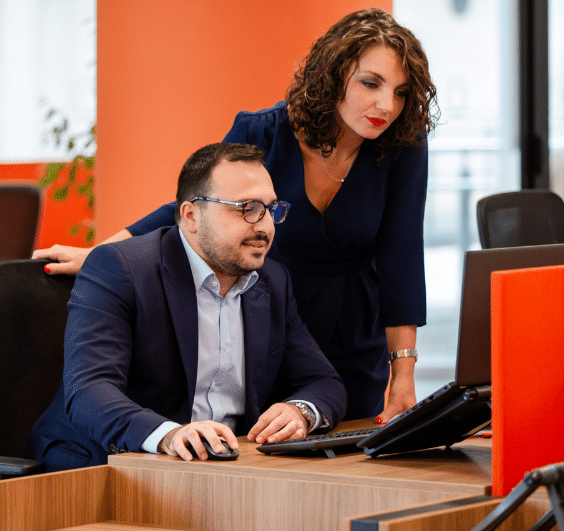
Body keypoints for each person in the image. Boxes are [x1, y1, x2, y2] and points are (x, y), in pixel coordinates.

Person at [33, 7, 437, 423]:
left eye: (402, 92)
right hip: (270, 319)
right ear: (334, 76)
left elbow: (401, 255)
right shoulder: (263, 132)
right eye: (371, 83)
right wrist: (101, 254)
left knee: (347, 449)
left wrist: (403, 376)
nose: (386, 105)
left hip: (353, 330)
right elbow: (196, 207)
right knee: (260, 442)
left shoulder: (402, 145)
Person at [27, 143, 347, 471]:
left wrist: (300, 412)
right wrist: (169, 435)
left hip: (220, 469)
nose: (265, 226)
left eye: (270, 208)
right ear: (191, 216)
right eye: (248, 208)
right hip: (102, 467)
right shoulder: (120, 269)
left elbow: (325, 382)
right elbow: (89, 392)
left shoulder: (271, 281)